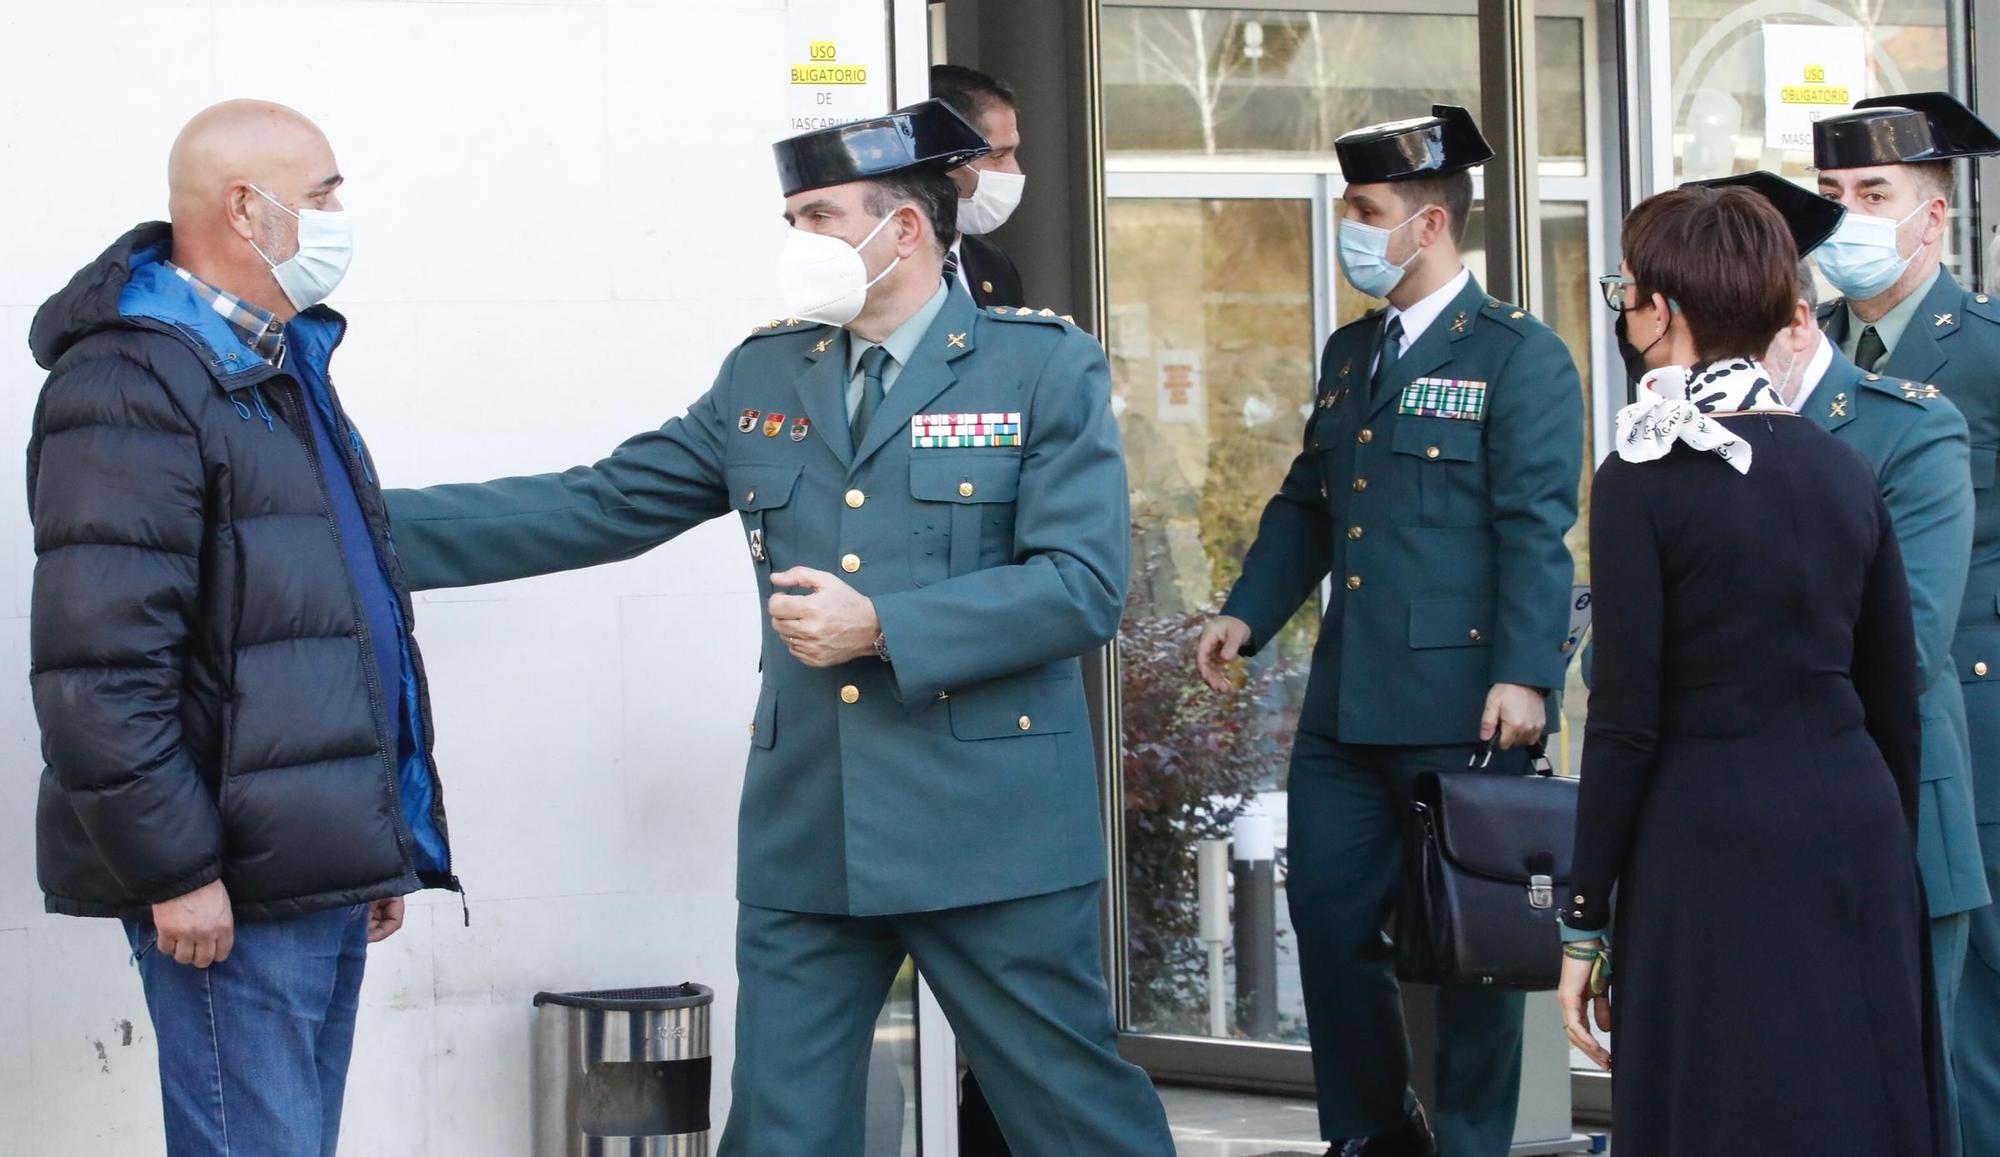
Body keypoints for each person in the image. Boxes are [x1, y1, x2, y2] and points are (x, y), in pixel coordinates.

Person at [381, 101, 1175, 1156]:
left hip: (988, 827)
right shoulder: (768, 371)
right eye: (791, 215)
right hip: (811, 825)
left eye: (816, 214)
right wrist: (351, 526)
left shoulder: (1037, 369)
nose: (796, 240)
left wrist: (883, 624)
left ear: (903, 230)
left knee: (1072, 1116)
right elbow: (603, 501)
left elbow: (1080, 585)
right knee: (778, 1131)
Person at [25, 100, 460, 1156]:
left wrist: (374, 846)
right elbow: (99, 666)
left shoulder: (274, 362)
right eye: (321, 196)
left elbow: (327, 615)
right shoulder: (132, 380)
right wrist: (174, 870)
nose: (338, 215)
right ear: (244, 207)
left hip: (304, 866)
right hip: (228, 882)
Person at [1195, 105, 1584, 1156]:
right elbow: (1308, 502)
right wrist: (1247, 609)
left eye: (1365, 210)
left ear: (1428, 226)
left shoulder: (1519, 358)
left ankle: (1466, 1141)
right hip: (1345, 701)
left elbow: (1535, 529)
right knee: (1326, 919)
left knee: (1473, 952)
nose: (1348, 228)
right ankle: (1371, 1132)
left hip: (1462, 700)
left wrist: (1523, 674)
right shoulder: (1350, 350)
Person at [1560, 183, 1944, 1155]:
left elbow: (1624, 716)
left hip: (1705, 837)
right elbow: (1890, 694)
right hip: (1851, 820)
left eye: (1626, 288)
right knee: (1852, 1097)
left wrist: (1580, 913)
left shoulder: (1637, 474)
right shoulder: (1841, 466)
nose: (1621, 307)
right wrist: (1881, 846)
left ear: (1665, 311)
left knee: (1720, 1104)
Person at [1718, 170, 1985, 1132]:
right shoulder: (1690, 437)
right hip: (1743, 833)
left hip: (1894, 812)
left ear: (1793, 318)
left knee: (1909, 1106)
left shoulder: (1905, 426)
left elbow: (1905, 643)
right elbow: (1615, 655)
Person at [1813, 93, 2000, 1148]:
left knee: (1972, 1018)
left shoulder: (1978, 354)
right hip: (1856, 731)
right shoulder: (1802, 360)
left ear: (1931, 216)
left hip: (1976, 719)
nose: (1846, 217)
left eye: (1871, 194)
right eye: (1831, 196)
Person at [932, 63, 1025, 308]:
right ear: (944, 155)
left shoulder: (994, 264)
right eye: (997, 157)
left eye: (1012, 154)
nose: (1014, 172)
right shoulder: (876, 265)